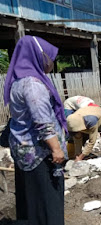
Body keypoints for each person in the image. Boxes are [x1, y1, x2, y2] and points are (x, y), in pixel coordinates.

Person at [3, 36, 66, 224]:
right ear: (39, 57)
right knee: (47, 202)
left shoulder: (18, 81)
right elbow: (43, 122)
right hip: (40, 154)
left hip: (24, 151)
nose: (52, 62)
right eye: (50, 58)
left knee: (32, 199)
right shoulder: (33, 84)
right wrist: (56, 148)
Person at [66, 106, 101, 175]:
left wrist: (81, 157)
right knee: (72, 139)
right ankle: (69, 158)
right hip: (86, 122)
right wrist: (77, 155)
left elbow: (92, 142)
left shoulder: (91, 120)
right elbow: (77, 139)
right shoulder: (72, 121)